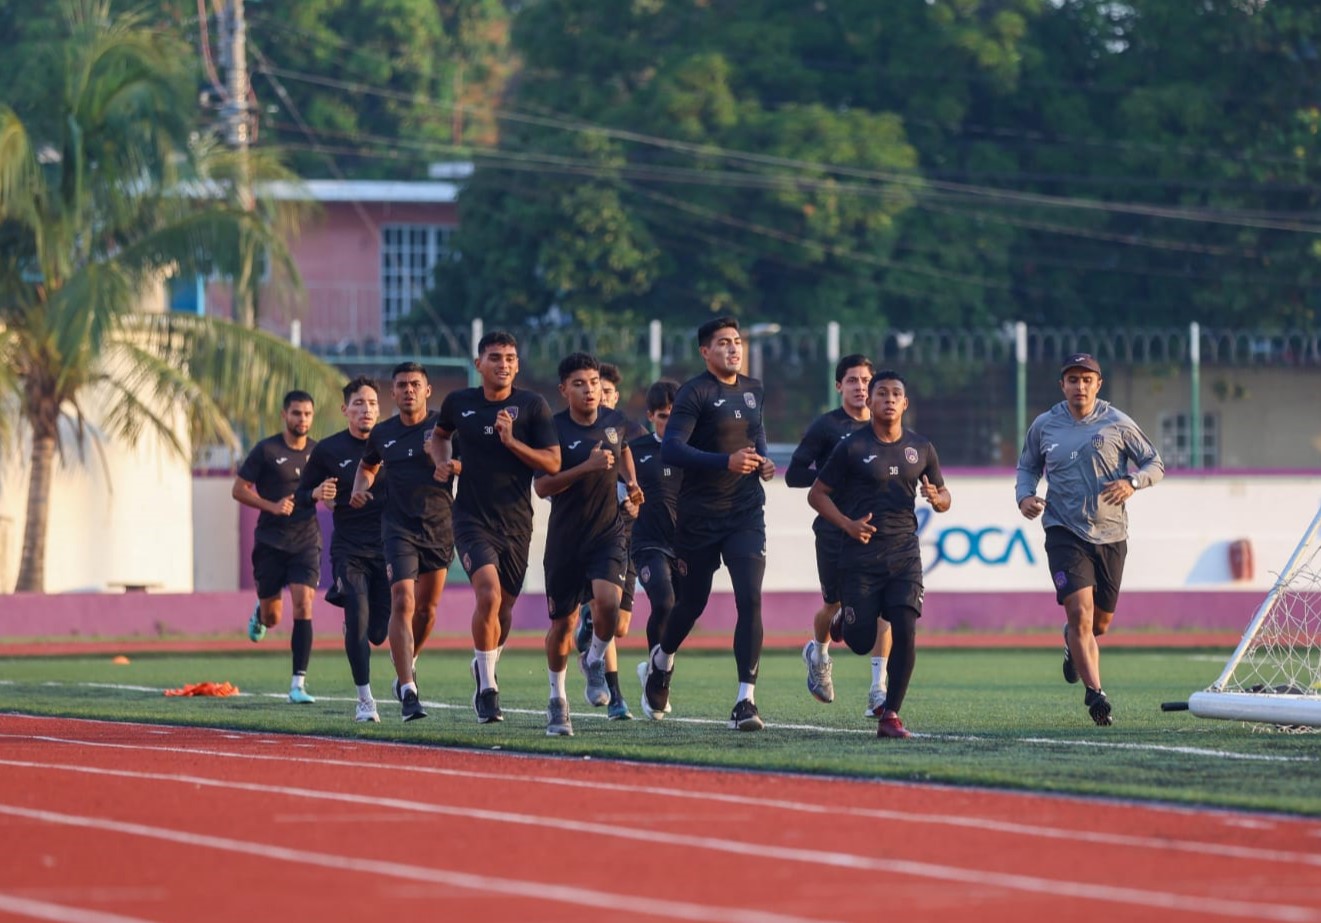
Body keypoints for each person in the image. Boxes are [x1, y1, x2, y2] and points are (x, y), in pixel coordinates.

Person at [1015, 352, 1164, 727]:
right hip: (1064, 531)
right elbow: (1028, 465)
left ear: (1098, 384)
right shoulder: (1045, 425)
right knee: (1079, 613)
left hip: (1112, 534)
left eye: (1086, 380)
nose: (1079, 386)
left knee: (1098, 626)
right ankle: (1096, 693)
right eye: (1072, 380)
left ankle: (1072, 644)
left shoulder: (1117, 422)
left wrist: (1132, 482)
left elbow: (1155, 464)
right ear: (1062, 385)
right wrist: (1025, 496)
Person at [641, 317, 775, 731]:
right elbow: (672, 450)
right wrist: (725, 462)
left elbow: (756, 438)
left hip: (746, 512)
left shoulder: (753, 390)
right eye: (723, 343)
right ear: (705, 351)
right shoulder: (694, 393)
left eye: (737, 342)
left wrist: (765, 462)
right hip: (699, 517)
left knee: (750, 598)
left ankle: (745, 701)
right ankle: (661, 661)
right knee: (691, 603)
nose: (733, 349)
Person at [807, 370, 951, 739]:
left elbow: (945, 496)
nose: (888, 398)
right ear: (869, 402)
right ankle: (842, 621)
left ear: (905, 403)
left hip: (904, 555)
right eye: (881, 393)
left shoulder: (922, 448)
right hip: (859, 559)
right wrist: (847, 524)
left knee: (905, 630)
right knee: (858, 640)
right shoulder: (852, 447)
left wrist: (938, 500)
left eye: (896, 393)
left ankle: (891, 715)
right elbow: (817, 495)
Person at [430, 331, 560, 724]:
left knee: (503, 610)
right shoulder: (459, 403)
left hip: (517, 523)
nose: (503, 364)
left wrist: (511, 442)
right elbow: (439, 437)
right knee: (487, 595)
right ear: (479, 364)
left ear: (517, 365)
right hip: (470, 518)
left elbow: (552, 464)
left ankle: (483, 663)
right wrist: (442, 461)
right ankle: (488, 689)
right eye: (495, 357)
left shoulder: (532, 406)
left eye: (509, 358)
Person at [534, 353, 642, 736]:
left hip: (606, 533)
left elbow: (624, 447)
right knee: (562, 625)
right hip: (565, 540)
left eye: (594, 382)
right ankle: (557, 700)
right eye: (580, 383)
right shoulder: (552, 429)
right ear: (564, 390)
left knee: (609, 606)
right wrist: (586, 468)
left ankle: (594, 658)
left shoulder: (615, 421)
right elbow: (542, 486)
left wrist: (630, 481)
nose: (590, 390)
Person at [787, 354, 893, 717]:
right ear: (839, 386)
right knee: (833, 606)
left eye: (866, 381)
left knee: (884, 609)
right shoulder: (827, 428)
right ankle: (817, 653)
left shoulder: (885, 426)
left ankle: (879, 691)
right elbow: (794, 474)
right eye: (852, 381)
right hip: (833, 531)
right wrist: (835, 474)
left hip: (875, 532)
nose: (860, 387)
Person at [352, 362, 455, 723]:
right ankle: (408, 689)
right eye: (401, 385)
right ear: (393, 394)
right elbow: (367, 467)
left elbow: (469, 463)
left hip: (440, 527)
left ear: (427, 390)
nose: (408, 390)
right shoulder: (383, 434)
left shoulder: (445, 426)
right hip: (398, 528)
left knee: (427, 610)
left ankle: (407, 662)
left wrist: (448, 463)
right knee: (403, 599)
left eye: (415, 384)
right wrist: (359, 489)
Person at [297, 376, 390, 723]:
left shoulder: (391, 443)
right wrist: (317, 493)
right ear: (345, 409)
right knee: (357, 617)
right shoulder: (328, 450)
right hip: (349, 548)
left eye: (372, 404)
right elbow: (300, 495)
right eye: (359, 404)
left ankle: (359, 632)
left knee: (378, 633)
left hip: (389, 547)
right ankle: (365, 700)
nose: (366, 410)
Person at [232, 390, 321, 704]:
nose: (303, 420)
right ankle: (261, 612)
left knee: (304, 604)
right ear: (285, 415)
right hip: (270, 542)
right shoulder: (266, 450)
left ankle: (298, 683)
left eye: (308, 414)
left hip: (306, 541)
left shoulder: (318, 452)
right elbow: (238, 489)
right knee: (273, 618)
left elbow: (331, 487)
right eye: (297, 413)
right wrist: (271, 506)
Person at [575, 360, 649, 719]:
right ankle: (616, 696)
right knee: (605, 604)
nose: (597, 396)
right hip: (597, 532)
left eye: (604, 391)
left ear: (615, 395)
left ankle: (589, 625)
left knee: (619, 624)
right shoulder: (578, 430)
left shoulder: (630, 430)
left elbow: (645, 477)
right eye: (592, 388)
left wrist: (637, 497)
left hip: (630, 533)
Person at [629, 379, 682, 715]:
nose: (670, 422)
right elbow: (620, 489)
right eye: (664, 416)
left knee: (680, 613)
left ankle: (653, 668)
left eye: (676, 416)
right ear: (650, 416)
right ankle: (658, 678)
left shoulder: (696, 451)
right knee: (663, 600)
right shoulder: (636, 450)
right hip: (648, 543)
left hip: (687, 547)